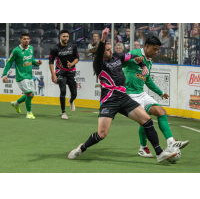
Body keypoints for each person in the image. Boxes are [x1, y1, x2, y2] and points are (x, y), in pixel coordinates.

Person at [68, 28, 177, 163]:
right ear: (101, 52)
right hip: (109, 101)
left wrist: (143, 64)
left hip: (124, 98)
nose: (110, 51)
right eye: (107, 50)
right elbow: (101, 51)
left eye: (110, 48)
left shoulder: (117, 57)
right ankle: (81, 148)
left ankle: (160, 153)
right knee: (102, 134)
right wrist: (103, 38)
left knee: (147, 121)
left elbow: (132, 57)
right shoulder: (98, 64)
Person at [122, 36, 189, 157]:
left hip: (141, 94)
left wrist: (160, 93)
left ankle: (171, 142)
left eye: (158, 49)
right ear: (146, 46)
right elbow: (120, 63)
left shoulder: (149, 62)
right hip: (129, 94)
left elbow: (147, 80)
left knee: (161, 111)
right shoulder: (134, 54)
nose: (156, 52)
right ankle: (143, 148)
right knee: (145, 120)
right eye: (154, 49)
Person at [2, 33, 42, 119]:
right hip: (21, 76)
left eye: (28, 38)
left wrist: (37, 63)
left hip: (29, 76)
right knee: (29, 93)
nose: (26, 40)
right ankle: (29, 113)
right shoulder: (16, 50)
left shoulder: (31, 48)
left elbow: (32, 61)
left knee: (31, 95)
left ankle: (16, 103)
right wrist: (4, 75)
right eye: (24, 39)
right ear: (20, 40)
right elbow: (9, 62)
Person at [49, 29, 79, 120]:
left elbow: (77, 58)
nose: (66, 38)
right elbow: (50, 62)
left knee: (74, 94)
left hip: (70, 72)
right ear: (60, 37)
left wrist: (72, 63)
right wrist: (53, 75)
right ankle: (63, 112)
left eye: (67, 36)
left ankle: (71, 101)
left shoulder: (73, 46)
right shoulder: (55, 48)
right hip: (60, 72)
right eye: (64, 36)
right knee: (63, 91)